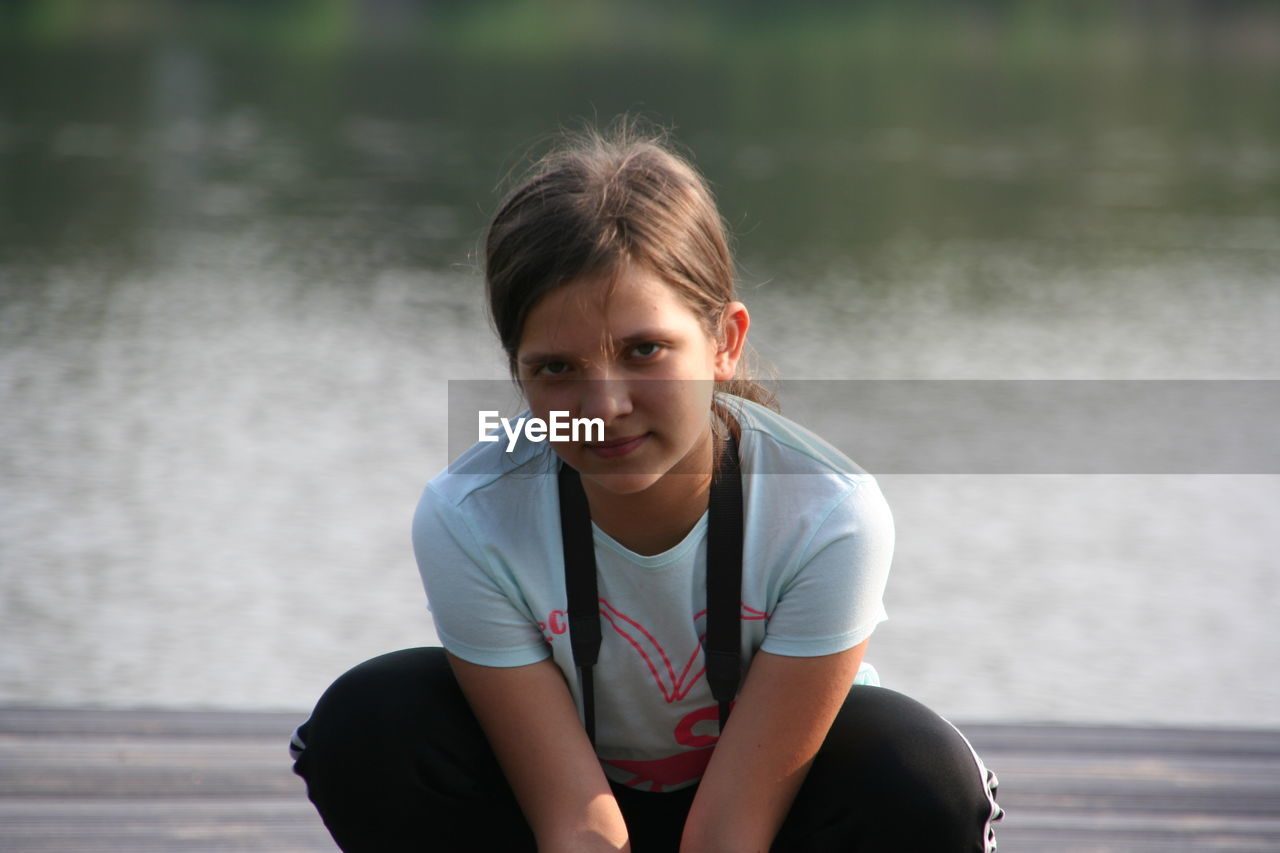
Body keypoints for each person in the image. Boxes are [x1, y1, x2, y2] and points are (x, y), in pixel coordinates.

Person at [290, 121, 1002, 852]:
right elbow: (576, 821)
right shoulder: (468, 513)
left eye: (644, 351)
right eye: (556, 369)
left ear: (724, 341)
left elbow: (731, 832)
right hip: (567, 807)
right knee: (369, 721)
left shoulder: (831, 513)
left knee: (922, 775)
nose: (605, 407)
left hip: (766, 817)